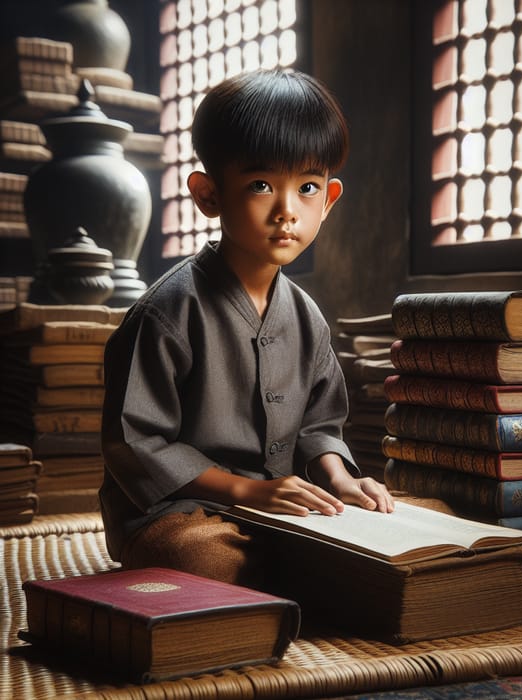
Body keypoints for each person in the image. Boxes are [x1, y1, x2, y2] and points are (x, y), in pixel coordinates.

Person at [99, 69, 394, 586]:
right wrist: (247, 492)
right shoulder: (166, 312)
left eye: (307, 187)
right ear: (208, 194)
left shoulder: (307, 317)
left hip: (282, 505)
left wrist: (338, 476)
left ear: (328, 201)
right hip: (180, 512)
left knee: (410, 522)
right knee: (201, 561)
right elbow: (136, 442)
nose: (286, 211)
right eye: (261, 185)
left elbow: (318, 427)